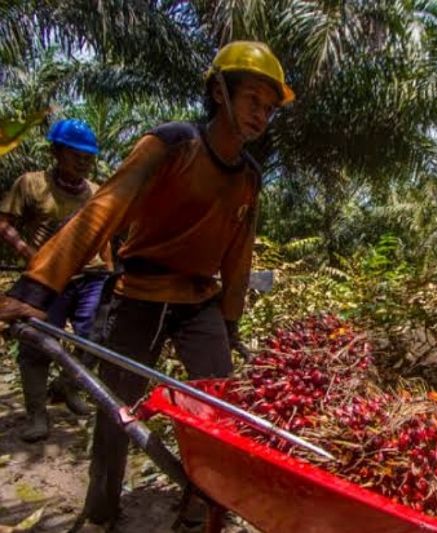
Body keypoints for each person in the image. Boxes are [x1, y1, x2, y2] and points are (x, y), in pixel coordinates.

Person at [0, 40, 294, 530]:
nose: (261, 114)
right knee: (118, 409)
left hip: (200, 300)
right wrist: (35, 290)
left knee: (218, 413)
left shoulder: (249, 177)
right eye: (253, 100)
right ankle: (100, 510)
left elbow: (239, 255)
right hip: (141, 294)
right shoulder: (173, 144)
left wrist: (231, 321)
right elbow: (102, 210)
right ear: (220, 92)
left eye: (269, 108)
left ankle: (202, 504)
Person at [0, 118, 110, 442]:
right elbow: (4, 223)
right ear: (56, 152)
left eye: (88, 157)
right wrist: (26, 251)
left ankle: (68, 385)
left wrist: (108, 265)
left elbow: (103, 233)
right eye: (77, 155)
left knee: (94, 338)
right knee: (36, 343)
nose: (83, 162)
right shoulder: (31, 184)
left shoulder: (96, 192)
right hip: (46, 278)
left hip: (89, 277)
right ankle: (37, 414)